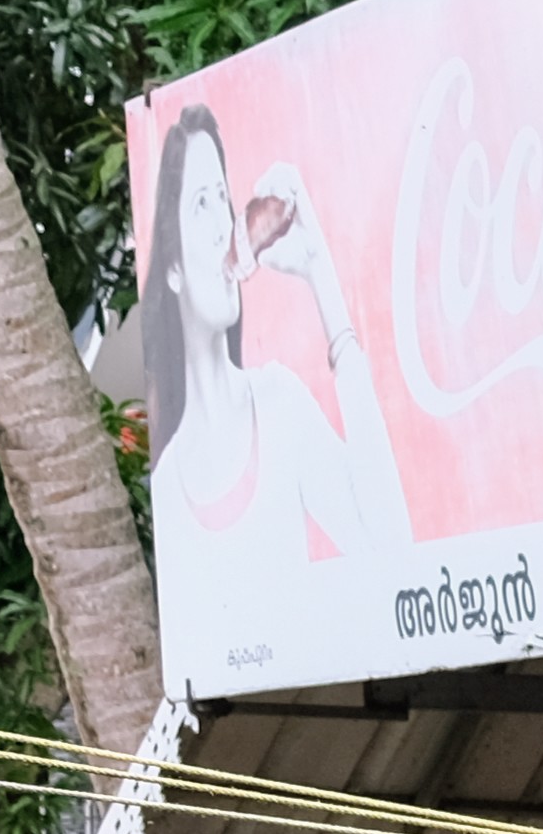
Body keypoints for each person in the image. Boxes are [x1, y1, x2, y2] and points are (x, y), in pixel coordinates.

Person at [134, 100, 411, 593]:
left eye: (223, 196)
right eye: (201, 202)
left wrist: (318, 272)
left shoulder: (278, 402)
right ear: (172, 267)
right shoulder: (169, 488)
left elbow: (391, 550)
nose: (224, 224)